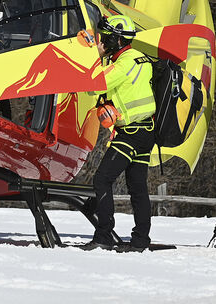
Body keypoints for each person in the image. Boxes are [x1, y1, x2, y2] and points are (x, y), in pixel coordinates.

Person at [84, 14, 156, 252]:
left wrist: (96, 56)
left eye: (106, 37)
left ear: (116, 40)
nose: (103, 40)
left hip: (132, 133)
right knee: (137, 187)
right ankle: (140, 240)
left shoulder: (123, 63)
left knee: (102, 179)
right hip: (147, 131)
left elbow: (93, 84)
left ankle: (103, 235)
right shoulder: (139, 58)